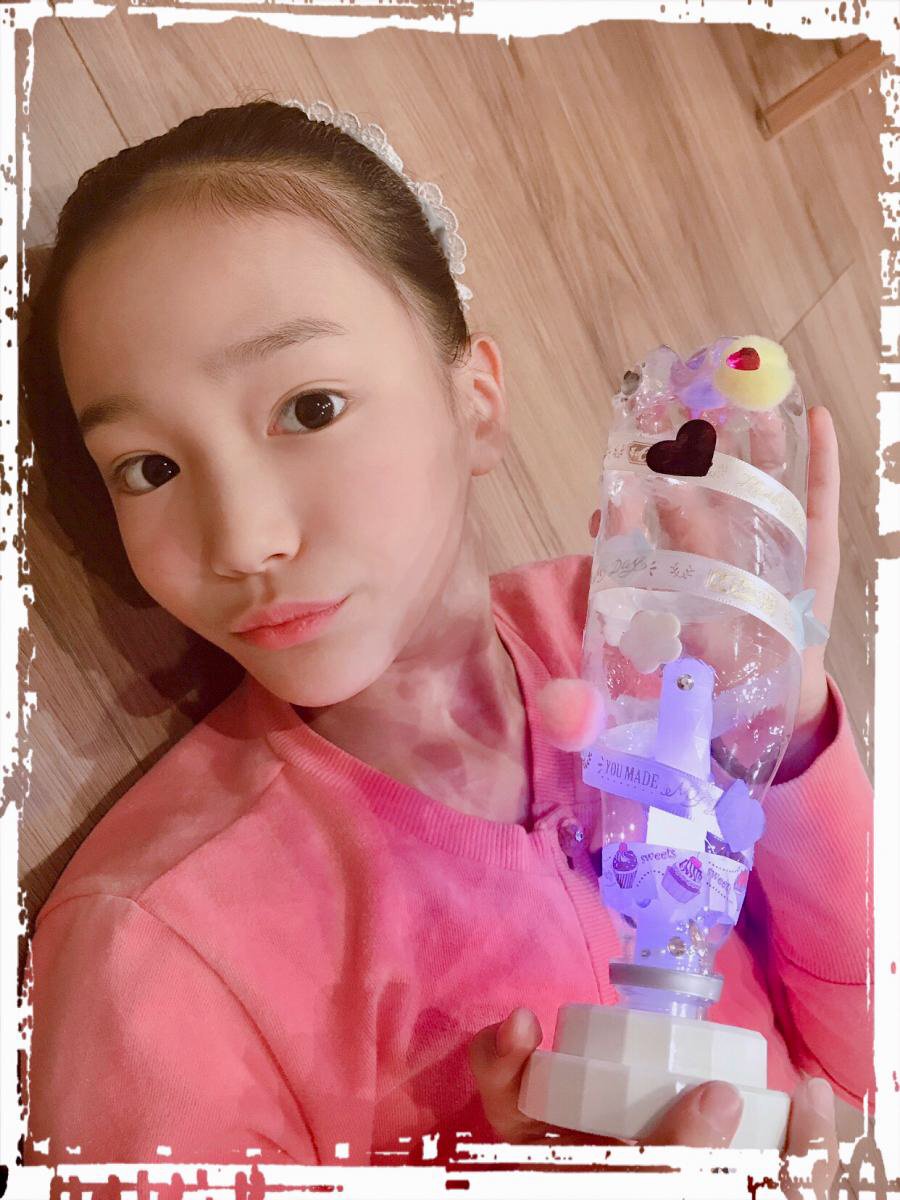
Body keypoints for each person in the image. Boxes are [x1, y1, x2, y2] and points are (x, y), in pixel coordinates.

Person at [20, 96, 871, 1172]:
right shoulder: (155, 946)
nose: (243, 539)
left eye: (311, 407)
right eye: (149, 468)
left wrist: (782, 731)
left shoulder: (651, 644)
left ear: (476, 403)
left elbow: (857, 1069)